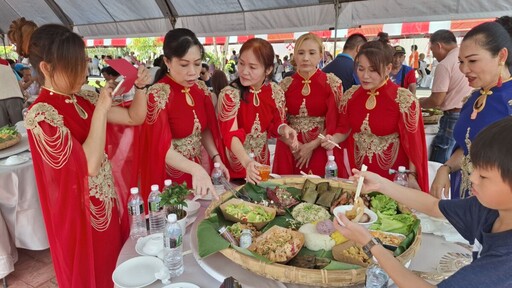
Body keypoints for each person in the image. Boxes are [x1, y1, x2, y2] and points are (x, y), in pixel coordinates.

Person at [11, 22, 151, 287]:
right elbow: (89, 165)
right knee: (92, 274)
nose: (84, 72)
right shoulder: (41, 114)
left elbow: (134, 117)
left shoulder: (83, 97)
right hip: (78, 215)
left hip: (104, 203)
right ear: (47, 68)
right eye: (74, 65)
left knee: (114, 267)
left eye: (83, 62)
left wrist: (140, 88)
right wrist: (100, 110)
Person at [335, 116, 512, 288]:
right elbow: (433, 206)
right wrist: (381, 184)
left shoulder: (505, 261)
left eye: (483, 176)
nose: (472, 177)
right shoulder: (488, 209)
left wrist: (370, 243)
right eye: (474, 168)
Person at [140, 28, 228, 198]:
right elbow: (163, 149)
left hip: (197, 171)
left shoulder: (200, 89)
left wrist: (216, 157)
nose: (193, 72)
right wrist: (196, 169)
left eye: (197, 63)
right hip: (170, 176)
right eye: (184, 64)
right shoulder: (159, 94)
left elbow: (204, 130)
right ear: (167, 61)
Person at [430, 21, 512, 199]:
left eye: (472, 61)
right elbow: (467, 147)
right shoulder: (473, 99)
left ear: (501, 56)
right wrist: (447, 167)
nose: (464, 69)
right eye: (461, 61)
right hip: (465, 198)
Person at [339, 35, 429, 192]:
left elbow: (414, 146)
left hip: (392, 177)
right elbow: (344, 130)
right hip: (359, 174)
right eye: (361, 69)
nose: (365, 76)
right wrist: (331, 138)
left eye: (373, 70)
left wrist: (412, 176)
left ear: (388, 68)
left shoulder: (403, 100)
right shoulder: (351, 96)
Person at [217, 38, 298, 183]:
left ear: (268, 70)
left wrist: (283, 128)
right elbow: (230, 134)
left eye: (252, 67)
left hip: (261, 162)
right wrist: (247, 162)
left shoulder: (275, 91)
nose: (244, 71)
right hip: (236, 163)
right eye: (241, 63)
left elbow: (274, 125)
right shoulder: (230, 94)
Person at [272, 33, 346, 176]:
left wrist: (311, 146)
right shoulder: (284, 85)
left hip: (320, 147)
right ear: (295, 55)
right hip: (290, 148)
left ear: (320, 55)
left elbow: (333, 121)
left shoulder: (332, 83)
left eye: (311, 53)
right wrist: (295, 145)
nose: (306, 58)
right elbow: (277, 121)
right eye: (301, 53)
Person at [420, 29, 473, 165]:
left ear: (439, 46)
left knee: (440, 157)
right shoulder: (467, 57)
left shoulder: (445, 64)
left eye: (432, 51)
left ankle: (436, 184)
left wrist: (419, 102)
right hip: (468, 113)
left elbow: (437, 100)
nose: (434, 55)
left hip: (452, 117)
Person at [0, 58, 24, 127]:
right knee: (20, 125)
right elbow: (19, 82)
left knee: (3, 130)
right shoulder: (6, 63)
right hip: (14, 95)